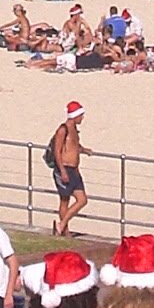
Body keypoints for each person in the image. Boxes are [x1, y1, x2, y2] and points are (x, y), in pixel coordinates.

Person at [47, 98, 90, 237]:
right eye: (81, 115)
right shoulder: (62, 130)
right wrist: (62, 171)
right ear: (75, 116)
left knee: (82, 200)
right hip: (64, 169)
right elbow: (57, 151)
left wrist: (84, 150)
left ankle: (62, 224)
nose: (82, 118)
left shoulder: (74, 129)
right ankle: (64, 229)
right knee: (65, 200)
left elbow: (74, 145)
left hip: (74, 170)